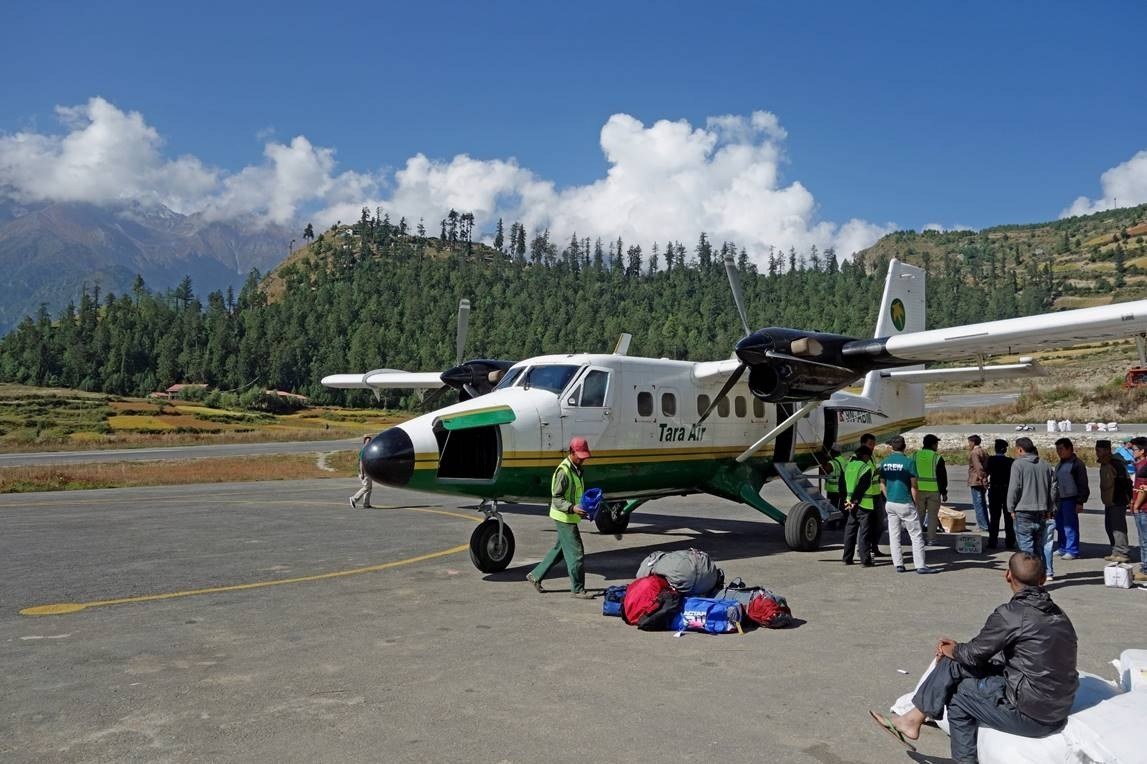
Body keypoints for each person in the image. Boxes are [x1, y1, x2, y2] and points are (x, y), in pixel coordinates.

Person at [871, 552, 1078, 763]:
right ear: (1042, 579)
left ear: (1007, 575)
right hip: (1054, 705)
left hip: (1033, 715)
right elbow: (995, 653)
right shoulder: (1058, 614)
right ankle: (912, 719)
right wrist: (956, 650)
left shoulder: (1012, 613)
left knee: (958, 696)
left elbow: (973, 654)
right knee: (955, 661)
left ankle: (929, 733)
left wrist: (951, 649)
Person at [527, 436, 595, 598]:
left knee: (560, 550)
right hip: (564, 517)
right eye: (580, 457)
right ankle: (578, 589)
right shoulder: (563, 472)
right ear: (571, 452)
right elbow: (556, 498)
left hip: (570, 515)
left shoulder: (575, 468)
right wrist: (572, 508)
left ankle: (535, 576)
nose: (582, 460)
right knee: (576, 553)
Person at [879, 435, 935, 573]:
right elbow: (914, 486)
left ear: (891, 447)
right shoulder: (908, 462)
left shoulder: (885, 462)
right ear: (904, 446)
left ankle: (898, 564)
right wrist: (915, 503)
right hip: (905, 502)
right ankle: (920, 565)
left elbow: (882, 483)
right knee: (916, 535)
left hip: (891, 503)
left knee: (894, 534)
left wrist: (889, 497)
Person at [1008, 437, 1058, 581]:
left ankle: (1028, 579)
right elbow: (1052, 490)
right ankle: (1040, 575)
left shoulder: (1018, 464)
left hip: (1023, 511)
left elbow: (1014, 488)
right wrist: (1049, 508)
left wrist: (1011, 507)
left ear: (1020, 449)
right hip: (1041, 510)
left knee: (1026, 549)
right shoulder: (1046, 465)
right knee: (1037, 548)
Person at [842, 445, 880, 567]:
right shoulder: (865, 468)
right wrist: (855, 500)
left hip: (849, 504)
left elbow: (842, 485)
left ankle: (847, 558)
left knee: (850, 531)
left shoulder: (848, 466)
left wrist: (847, 500)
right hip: (864, 504)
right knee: (865, 533)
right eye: (869, 456)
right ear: (865, 456)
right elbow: (862, 487)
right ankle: (865, 560)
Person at [1095, 439, 1132, 563]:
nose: (1097, 453)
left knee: (1118, 527)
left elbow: (1124, 482)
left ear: (1107, 450)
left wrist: (1125, 499)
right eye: (1096, 450)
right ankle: (1115, 551)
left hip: (1117, 500)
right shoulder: (1105, 463)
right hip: (1109, 501)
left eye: (1099, 450)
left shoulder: (1115, 463)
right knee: (1110, 526)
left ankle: (1122, 552)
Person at [1053, 438, 1089, 560]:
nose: (1059, 452)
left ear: (1069, 449)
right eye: (1057, 449)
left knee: (1070, 526)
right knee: (1060, 525)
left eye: (1061, 449)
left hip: (1071, 499)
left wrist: (1080, 501)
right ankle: (1062, 547)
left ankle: (1072, 550)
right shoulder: (1060, 463)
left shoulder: (1077, 464)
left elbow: (1082, 484)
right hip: (1060, 499)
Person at [914, 434, 948, 544]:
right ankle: (931, 540)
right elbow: (942, 477)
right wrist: (944, 492)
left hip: (918, 490)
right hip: (933, 491)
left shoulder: (914, 455)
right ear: (933, 444)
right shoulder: (937, 457)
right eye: (936, 444)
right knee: (933, 516)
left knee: (918, 515)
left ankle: (917, 539)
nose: (937, 446)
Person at [986, 439, 1016, 550]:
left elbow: (986, 471)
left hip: (994, 491)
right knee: (1008, 518)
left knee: (994, 518)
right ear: (1005, 449)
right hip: (1007, 490)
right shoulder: (1010, 461)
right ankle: (1010, 542)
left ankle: (992, 541)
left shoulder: (991, 460)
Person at [861, 433, 887, 557]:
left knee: (880, 523)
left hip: (877, 494)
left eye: (874, 444)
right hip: (866, 497)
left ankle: (874, 546)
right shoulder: (860, 458)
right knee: (865, 526)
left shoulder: (872, 457)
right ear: (863, 444)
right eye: (870, 444)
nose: (872, 447)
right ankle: (864, 550)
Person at [1127, 437, 1147, 583]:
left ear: (1142, 451)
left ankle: (1146, 569)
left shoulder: (1144, 467)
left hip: (1143, 509)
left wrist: (1136, 505)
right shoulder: (1139, 465)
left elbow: (1144, 489)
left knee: (1144, 540)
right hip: (1140, 507)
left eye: (1134, 449)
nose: (1132, 452)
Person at [967, 435, 990, 533]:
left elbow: (978, 467)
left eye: (969, 442)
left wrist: (983, 479)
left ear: (973, 442)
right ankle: (985, 524)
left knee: (978, 504)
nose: (968, 444)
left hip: (976, 481)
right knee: (982, 503)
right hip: (982, 479)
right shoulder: (984, 451)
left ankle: (983, 526)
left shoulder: (974, 452)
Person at [349, 434, 374, 508]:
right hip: (364, 472)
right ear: (364, 441)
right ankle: (354, 499)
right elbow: (361, 462)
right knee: (366, 487)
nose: (369, 441)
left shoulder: (368, 449)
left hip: (368, 472)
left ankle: (366, 504)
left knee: (369, 488)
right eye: (367, 440)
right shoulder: (364, 450)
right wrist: (362, 473)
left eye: (370, 440)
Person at [822, 442, 848, 514]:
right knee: (842, 508)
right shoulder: (843, 460)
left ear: (832, 451)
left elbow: (825, 471)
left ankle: (834, 523)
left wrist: (824, 460)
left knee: (833, 509)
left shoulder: (832, 463)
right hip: (843, 489)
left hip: (833, 491)